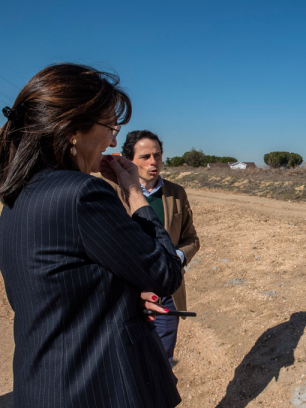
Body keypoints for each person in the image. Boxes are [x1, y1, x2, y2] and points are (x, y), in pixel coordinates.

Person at [0, 63, 182, 407]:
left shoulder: (17, 198)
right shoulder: (81, 193)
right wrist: (133, 194)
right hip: (99, 388)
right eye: (110, 126)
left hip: (44, 386)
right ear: (72, 129)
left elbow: (63, 290)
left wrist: (123, 295)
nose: (114, 140)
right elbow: (165, 273)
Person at [117, 130, 199, 364]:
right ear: (129, 159)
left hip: (166, 294)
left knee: (163, 359)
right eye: (145, 156)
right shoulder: (112, 193)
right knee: (129, 361)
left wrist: (176, 258)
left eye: (158, 155)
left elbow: (192, 239)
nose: (153, 162)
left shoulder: (176, 193)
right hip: (127, 297)